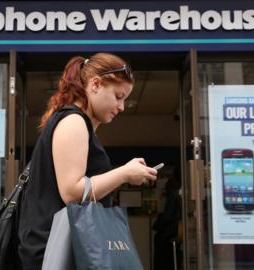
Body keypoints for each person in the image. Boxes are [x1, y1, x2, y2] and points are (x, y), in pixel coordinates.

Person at [18, 53, 158, 269]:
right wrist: (124, 174)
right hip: (57, 253)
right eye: (118, 96)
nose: (122, 106)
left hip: (58, 249)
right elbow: (72, 192)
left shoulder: (73, 122)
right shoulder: (74, 122)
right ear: (95, 84)